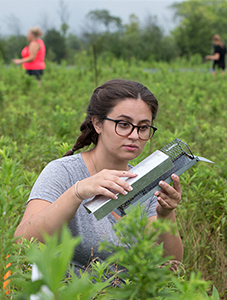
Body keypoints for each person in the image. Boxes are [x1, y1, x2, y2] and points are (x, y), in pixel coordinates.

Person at [14, 79, 184, 278]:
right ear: (97, 123)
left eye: (143, 127)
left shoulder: (146, 183)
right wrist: (77, 193)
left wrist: (166, 214)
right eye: (123, 124)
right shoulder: (63, 172)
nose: (134, 135)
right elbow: (22, 243)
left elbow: (169, 267)